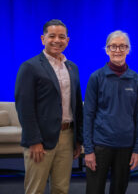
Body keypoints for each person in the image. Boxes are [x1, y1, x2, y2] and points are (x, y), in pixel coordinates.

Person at [15, 19, 83, 194]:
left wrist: (78, 139)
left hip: (67, 137)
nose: (57, 40)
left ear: (67, 41)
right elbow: (24, 107)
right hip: (41, 141)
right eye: (51, 36)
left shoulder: (72, 68)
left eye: (61, 37)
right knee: (35, 189)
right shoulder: (30, 67)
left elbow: (76, 106)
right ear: (42, 39)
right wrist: (34, 140)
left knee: (61, 188)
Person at [83, 30, 138, 194]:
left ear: (128, 49)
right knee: (94, 190)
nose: (118, 50)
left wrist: (137, 149)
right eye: (113, 46)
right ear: (107, 49)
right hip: (100, 145)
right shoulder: (96, 78)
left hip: (126, 146)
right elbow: (87, 115)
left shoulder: (136, 80)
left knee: (119, 189)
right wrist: (88, 150)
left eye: (122, 46)